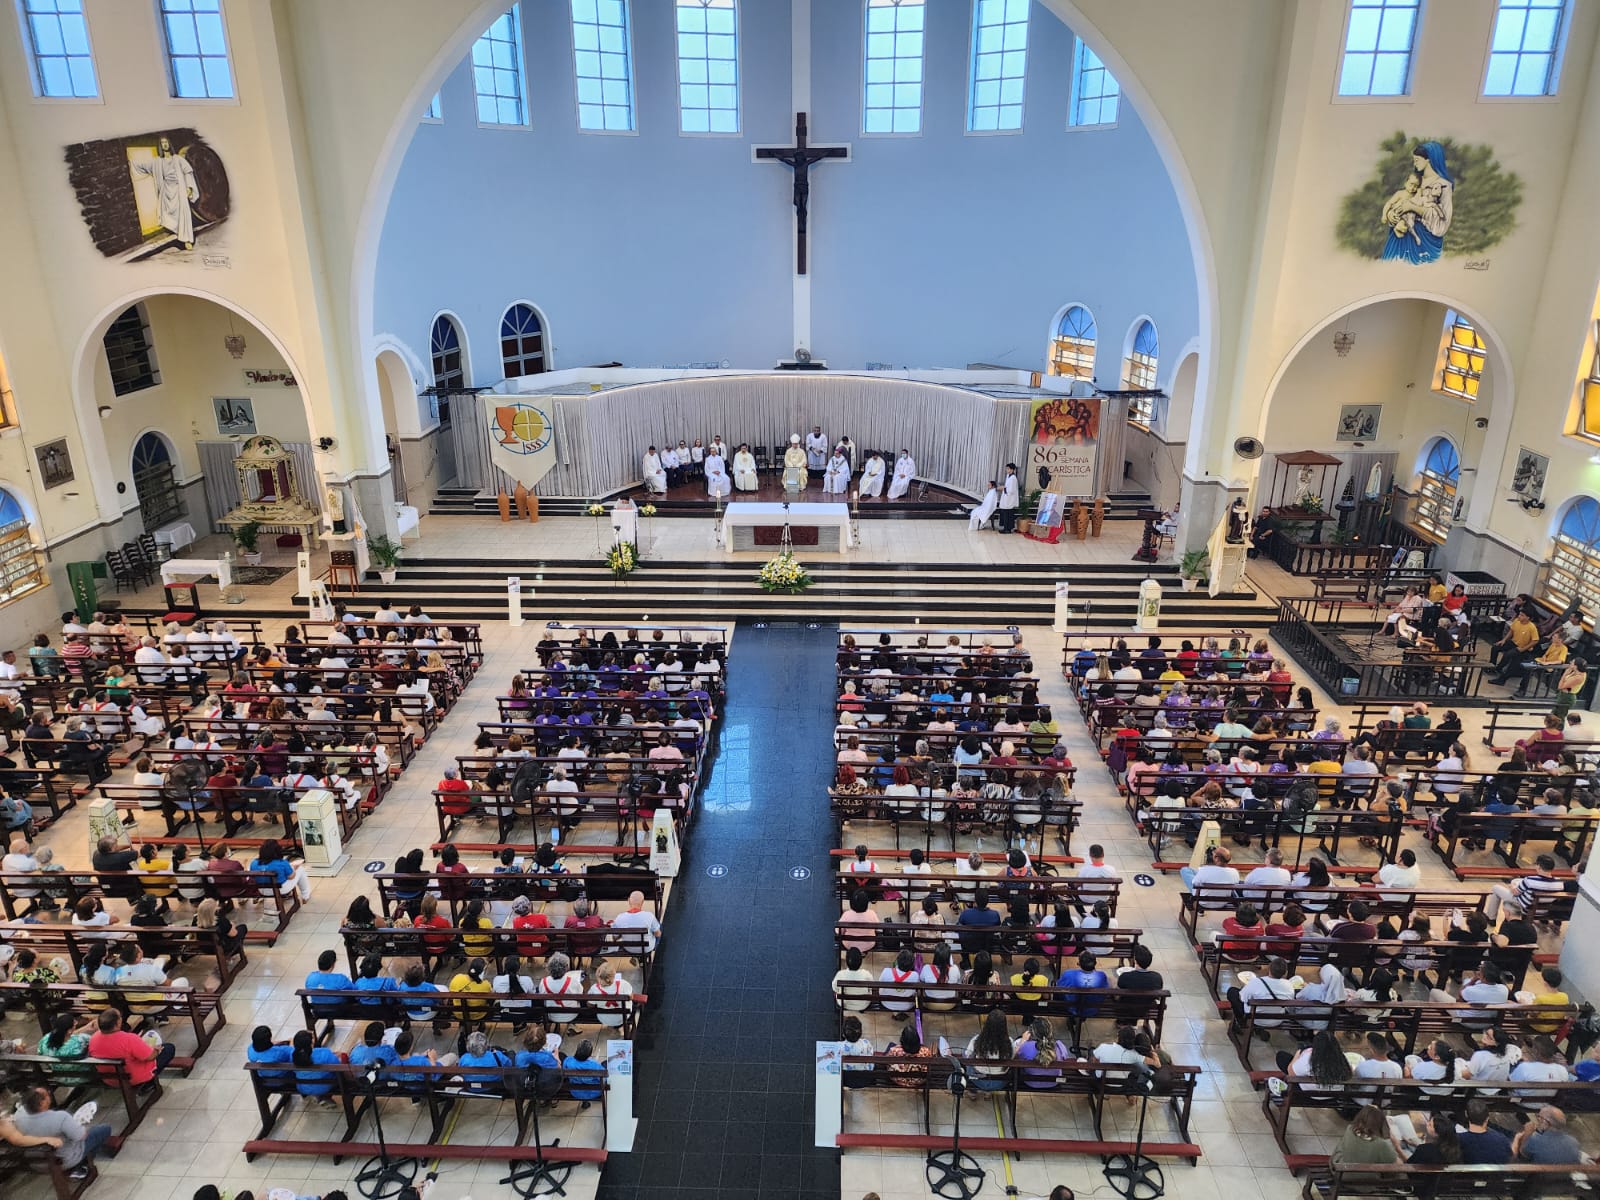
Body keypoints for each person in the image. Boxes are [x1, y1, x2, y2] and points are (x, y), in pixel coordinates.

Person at [12, 1086, 114, 1177]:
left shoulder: (19, 1114)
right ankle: (81, 1164)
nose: (49, 1094)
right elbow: (81, 1136)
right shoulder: (60, 1117)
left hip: (36, 1162)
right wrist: (80, 1126)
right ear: (42, 1103)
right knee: (104, 1129)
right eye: (47, 1094)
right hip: (62, 1161)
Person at [89, 1007, 176, 1090]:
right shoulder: (129, 1039)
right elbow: (151, 1056)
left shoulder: (93, 1039)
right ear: (117, 1023)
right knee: (168, 1048)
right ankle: (148, 1083)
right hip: (132, 1078)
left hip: (109, 1079)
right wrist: (157, 1050)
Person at [1330, 1104, 1399, 1167]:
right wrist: (1397, 1146)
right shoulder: (1382, 1144)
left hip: (1342, 1175)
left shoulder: (1350, 1129)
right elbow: (1397, 1165)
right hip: (1367, 1178)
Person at [1513, 1106, 1582, 1163]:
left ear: (1545, 1122)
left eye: (1539, 1117)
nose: (1537, 1120)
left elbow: (1523, 1155)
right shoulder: (1573, 1141)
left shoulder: (1535, 1140)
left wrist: (1527, 1134)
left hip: (1538, 1176)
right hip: (1564, 1177)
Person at [996, 464, 1020, 533]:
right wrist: (1004, 488)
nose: (1007, 470)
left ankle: (1007, 529)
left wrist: (1003, 488)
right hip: (1006, 498)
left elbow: (1011, 490)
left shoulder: (1013, 478)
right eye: (1007, 469)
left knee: (1008, 514)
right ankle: (1006, 527)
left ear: (1012, 470)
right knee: (1005, 513)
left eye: (1009, 469)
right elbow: (1007, 486)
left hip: (1010, 498)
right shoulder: (1008, 476)